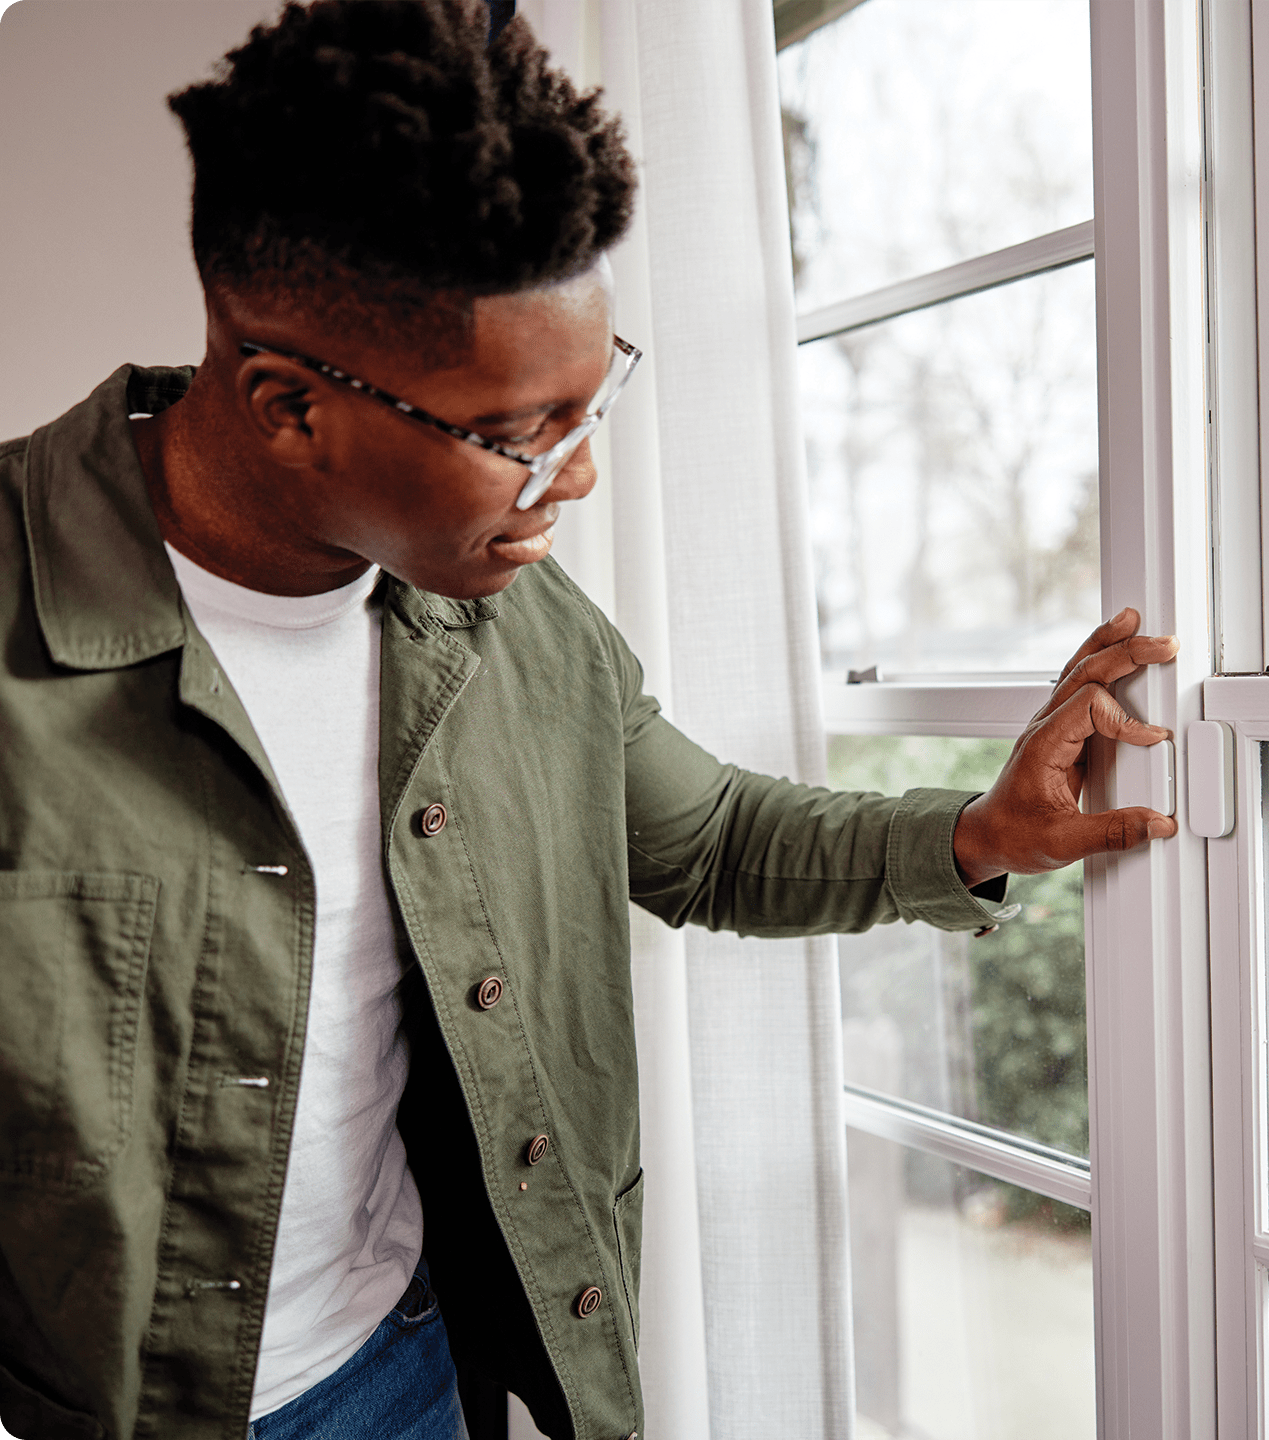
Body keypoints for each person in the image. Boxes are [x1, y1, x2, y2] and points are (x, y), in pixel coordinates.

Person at [0, 3, 1179, 1438]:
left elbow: (717, 838)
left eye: (592, 402)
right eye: (518, 436)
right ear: (289, 405)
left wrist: (984, 833)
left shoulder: (515, 622)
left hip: (408, 1371)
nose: (578, 481)